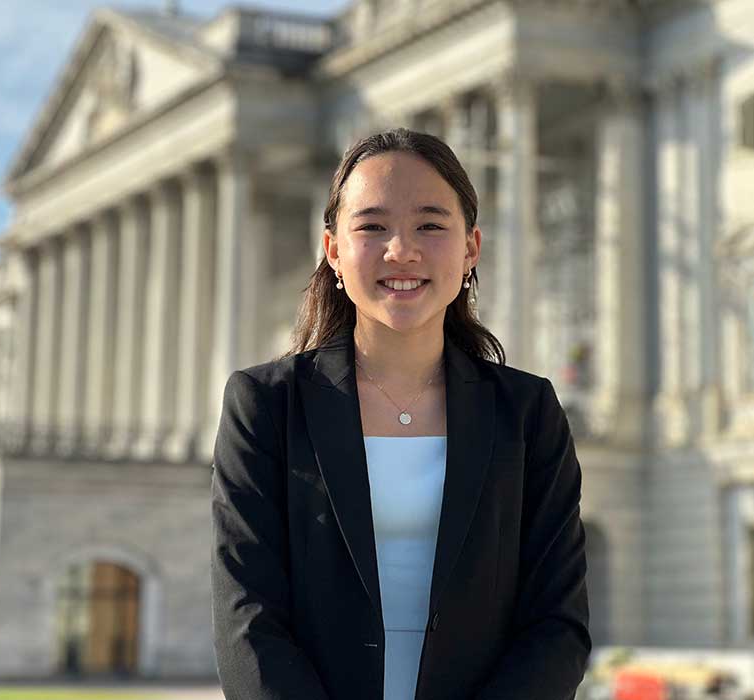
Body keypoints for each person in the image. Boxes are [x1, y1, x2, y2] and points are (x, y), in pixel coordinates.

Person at [209, 128, 591, 700]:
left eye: (430, 225)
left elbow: (557, 624)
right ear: (334, 249)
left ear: (471, 248)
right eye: (372, 226)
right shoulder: (264, 406)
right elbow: (247, 619)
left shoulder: (527, 412)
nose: (401, 250)